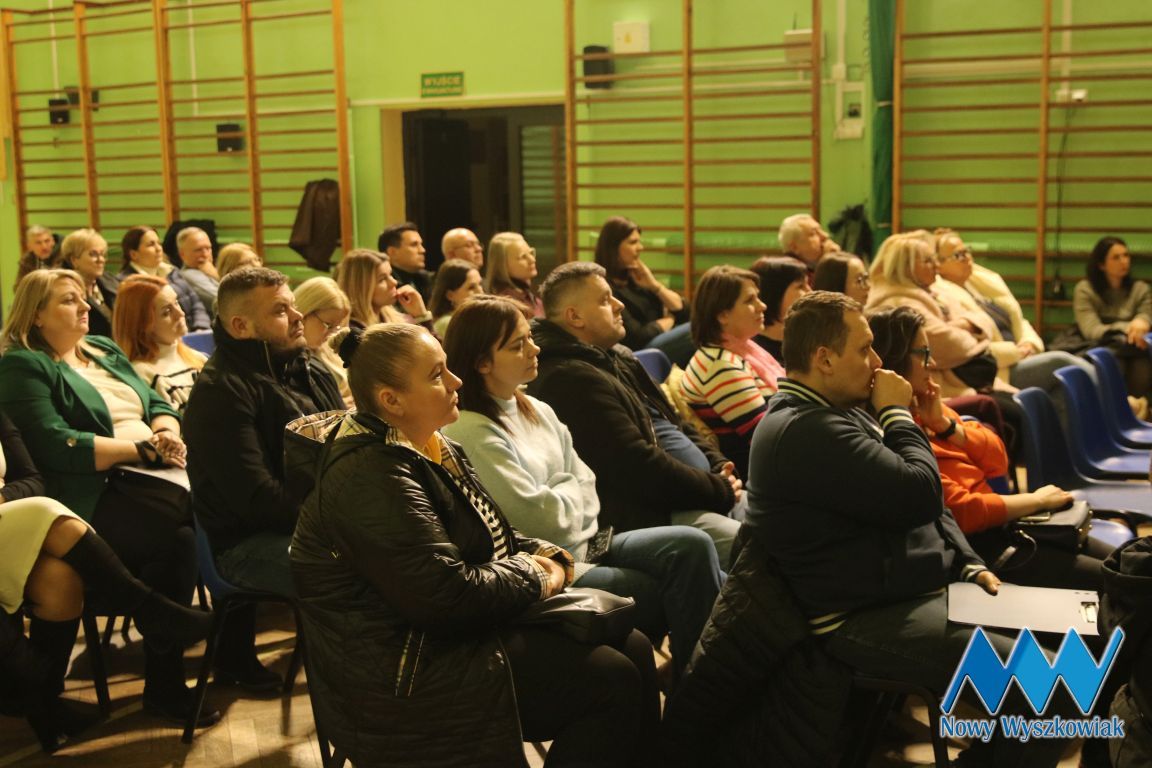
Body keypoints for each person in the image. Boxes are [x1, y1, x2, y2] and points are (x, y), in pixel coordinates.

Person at [291, 322, 659, 768]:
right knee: (610, 681)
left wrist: (545, 554)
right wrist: (537, 574)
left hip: (445, 631)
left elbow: (492, 534)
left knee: (633, 644)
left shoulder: (431, 444)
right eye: (436, 375)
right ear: (392, 400)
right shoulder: (371, 476)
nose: (456, 381)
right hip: (404, 668)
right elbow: (447, 596)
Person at [746, 290, 1074, 767]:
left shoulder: (836, 411)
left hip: (911, 591)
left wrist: (968, 564)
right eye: (864, 349)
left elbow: (932, 505)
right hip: (859, 619)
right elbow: (920, 491)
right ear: (824, 359)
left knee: (1078, 631)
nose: (878, 362)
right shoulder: (806, 429)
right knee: (1054, 689)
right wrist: (898, 413)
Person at [442, 295, 724, 676]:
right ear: (482, 363)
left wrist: (563, 495)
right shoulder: (472, 430)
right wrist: (568, 489)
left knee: (694, 546)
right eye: (518, 345)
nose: (534, 349)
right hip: (553, 565)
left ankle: (694, 686)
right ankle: (699, 693)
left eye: (530, 338)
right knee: (685, 590)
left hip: (591, 541)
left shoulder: (535, 407)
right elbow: (540, 522)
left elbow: (587, 481)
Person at [0, 269, 217, 726]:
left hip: (149, 477)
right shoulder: (24, 365)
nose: (85, 307)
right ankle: (173, 675)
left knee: (179, 536)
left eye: (83, 297)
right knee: (184, 522)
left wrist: (165, 431)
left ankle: (169, 659)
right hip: (90, 489)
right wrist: (142, 450)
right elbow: (57, 445)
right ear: (36, 315)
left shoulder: (103, 349)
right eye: (68, 300)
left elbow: (155, 403)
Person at [0, 412, 210, 752]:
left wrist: (4, 498)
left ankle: (45, 704)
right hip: (22, 518)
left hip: (6, 518)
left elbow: (30, 478)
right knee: (46, 511)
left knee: (60, 580)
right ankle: (153, 611)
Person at [868, 306, 1110, 590]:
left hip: (1006, 529)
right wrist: (1037, 500)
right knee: (1124, 582)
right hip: (981, 553)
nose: (932, 363)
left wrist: (946, 425)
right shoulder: (892, 432)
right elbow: (963, 512)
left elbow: (998, 460)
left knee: (1129, 564)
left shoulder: (927, 408)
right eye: (923, 353)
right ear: (893, 360)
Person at [184, 267, 344, 692]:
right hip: (246, 544)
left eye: (292, 306)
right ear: (241, 326)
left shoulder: (306, 367)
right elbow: (259, 500)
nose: (297, 316)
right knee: (358, 568)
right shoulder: (220, 392)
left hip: (309, 521)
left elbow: (344, 448)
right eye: (280, 310)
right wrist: (341, 521)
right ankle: (364, 692)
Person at [529, 261, 743, 565]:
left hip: (695, 492)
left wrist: (718, 465)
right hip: (649, 513)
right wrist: (716, 489)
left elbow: (676, 423)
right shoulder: (569, 378)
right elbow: (636, 466)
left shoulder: (619, 356)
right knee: (755, 543)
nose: (619, 305)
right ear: (575, 316)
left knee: (780, 523)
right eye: (605, 300)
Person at [933, 229, 1091, 402]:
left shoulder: (980, 283)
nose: (967, 258)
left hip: (1022, 356)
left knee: (1060, 392)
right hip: (999, 371)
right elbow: (967, 348)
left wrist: (1029, 343)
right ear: (938, 265)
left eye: (967, 251)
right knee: (1060, 362)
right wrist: (1015, 352)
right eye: (958, 255)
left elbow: (1019, 320)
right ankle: (1110, 397)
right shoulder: (943, 297)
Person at [680, 265, 783, 479]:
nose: (762, 306)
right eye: (750, 300)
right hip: (757, 474)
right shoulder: (720, 366)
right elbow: (769, 439)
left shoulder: (740, 350)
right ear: (723, 315)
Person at [594, 216, 692, 365]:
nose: (640, 247)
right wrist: (670, 320)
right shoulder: (605, 287)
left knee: (700, 328)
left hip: (658, 340)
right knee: (697, 329)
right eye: (633, 242)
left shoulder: (637, 279)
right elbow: (636, 336)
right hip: (637, 353)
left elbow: (684, 312)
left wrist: (655, 286)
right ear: (613, 247)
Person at [112, 274, 207, 413]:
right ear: (142, 325)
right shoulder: (144, 375)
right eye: (167, 312)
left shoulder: (197, 357)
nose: (180, 313)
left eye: (176, 302)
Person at [1072, 236, 1152, 397]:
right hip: (1099, 346)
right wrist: (1130, 328)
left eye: (1126, 255)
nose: (1124, 261)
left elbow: (1147, 312)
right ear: (1101, 265)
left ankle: (1135, 408)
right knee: (1112, 361)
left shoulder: (1140, 289)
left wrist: (1143, 321)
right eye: (1116, 257)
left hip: (1135, 348)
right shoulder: (1085, 289)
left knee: (1142, 367)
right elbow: (1091, 330)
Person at [119, 226, 210, 331]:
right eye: (151, 245)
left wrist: (200, 327)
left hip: (194, 333)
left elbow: (196, 303)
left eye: (159, 243)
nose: (158, 249)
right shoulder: (128, 283)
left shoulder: (172, 271)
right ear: (134, 254)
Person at [335, 248, 433, 330]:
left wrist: (421, 316)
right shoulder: (352, 332)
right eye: (382, 279)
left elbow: (435, 347)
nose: (394, 282)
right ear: (360, 288)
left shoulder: (401, 320)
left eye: (390, 274)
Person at [294, 276, 354, 408]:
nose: (332, 333)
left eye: (337, 326)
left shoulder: (326, 350)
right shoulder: (289, 361)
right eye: (328, 324)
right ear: (304, 313)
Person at [58, 228, 118, 339]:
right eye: (93, 254)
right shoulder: (63, 290)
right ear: (74, 260)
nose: (101, 260)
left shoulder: (110, 280)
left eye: (103, 254)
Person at [749, 255, 810, 363]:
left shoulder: (809, 340)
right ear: (775, 294)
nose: (810, 292)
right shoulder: (753, 351)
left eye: (808, 284)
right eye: (800, 286)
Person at [485, 231, 544, 318]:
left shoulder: (527, 295)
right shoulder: (505, 305)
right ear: (502, 264)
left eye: (531, 252)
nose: (532, 260)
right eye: (523, 256)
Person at [377, 222, 434, 303]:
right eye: (414, 245)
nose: (422, 250)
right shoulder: (382, 285)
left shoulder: (425, 279)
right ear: (392, 252)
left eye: (421, 244)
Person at [429, 258, 484, 338]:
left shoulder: (471, 319)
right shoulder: (447, 323)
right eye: (471, 287)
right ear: (450, 295)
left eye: (480, 284)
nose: (480, 292)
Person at [177, 227, 219, 309]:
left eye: (208, 248)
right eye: (198, 250)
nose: (205, 254)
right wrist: (217, 276)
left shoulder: (210, 270)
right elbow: (226, 301)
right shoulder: (187, 275)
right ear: (182, 254)